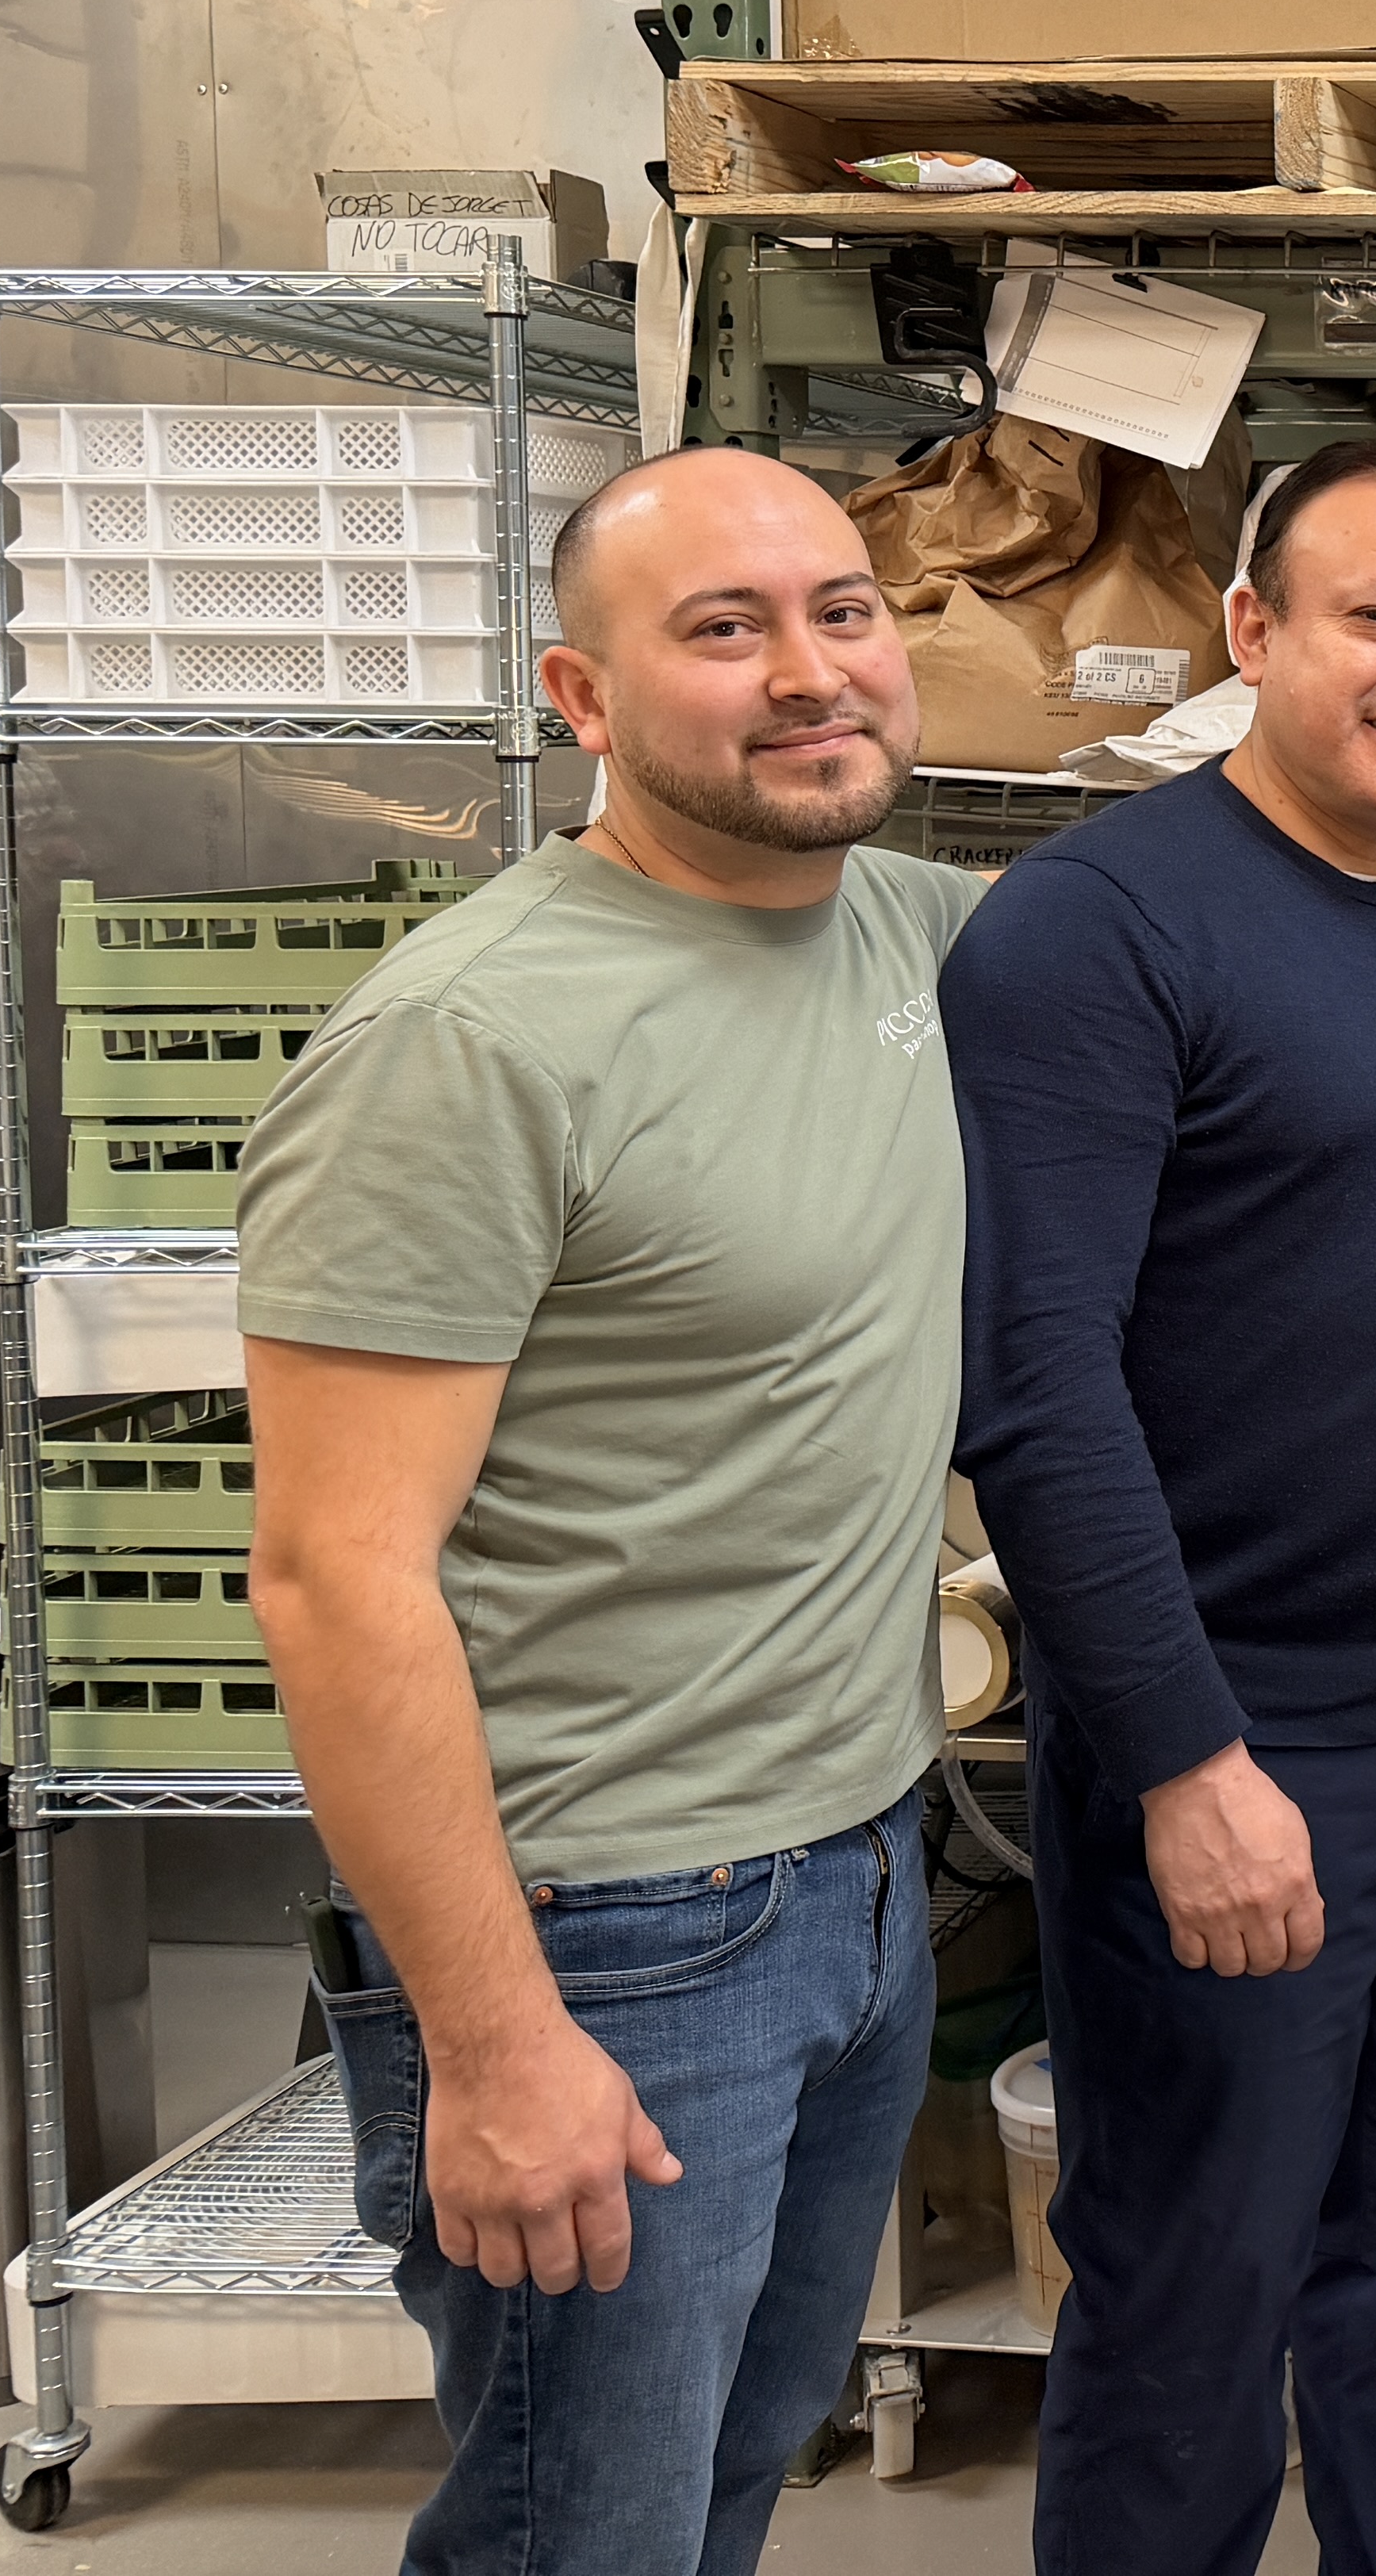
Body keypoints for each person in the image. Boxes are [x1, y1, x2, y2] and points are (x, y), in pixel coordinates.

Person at [244, 447, 972, 2576]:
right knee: (582, 2538)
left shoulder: (905, 932)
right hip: (602, 1933)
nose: (810, 670)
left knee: (720, 2492)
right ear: (580, 695)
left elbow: (1218, 916)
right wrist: (492, 2040)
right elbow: (331, 1573)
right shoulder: (470, 1040)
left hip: (851, 1878)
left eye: (842, 609)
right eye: (723, 628)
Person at [946, 435, 1376, 2576]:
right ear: (1251, 634)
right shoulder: (1092, 931)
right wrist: (1182, 1756)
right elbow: (1034, 1386)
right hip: (1241, 1728)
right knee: (1186, 2294)